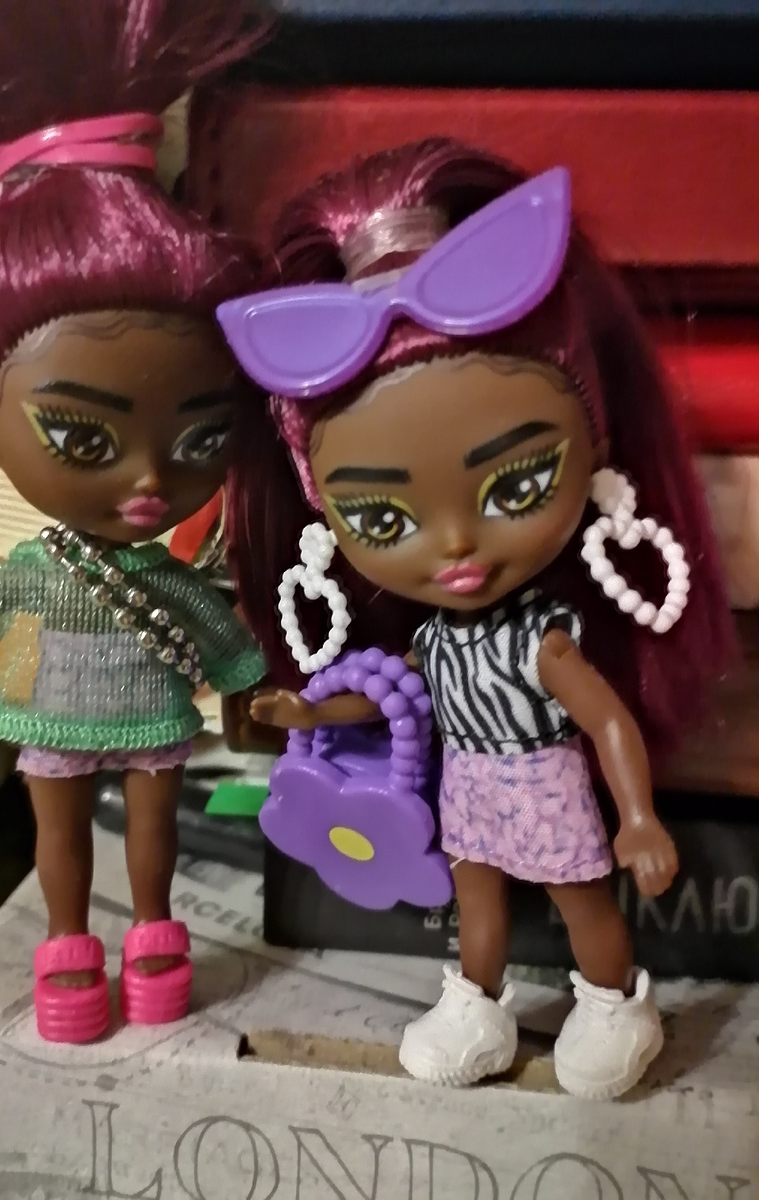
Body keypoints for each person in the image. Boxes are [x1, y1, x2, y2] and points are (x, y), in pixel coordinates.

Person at [219, 141, 735, 1098]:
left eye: (518, 483)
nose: (456, 545)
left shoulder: (542, 639)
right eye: (383, 519)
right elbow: (396, 700)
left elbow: (606, 721)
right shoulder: (431, 638)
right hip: (469, 791)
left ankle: (614, 1003)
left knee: (583, 901)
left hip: (544, 783)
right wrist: (308, 714)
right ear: (322, 517)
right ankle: (477, 1003)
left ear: (597, 445)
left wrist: (636, 817)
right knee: (478, 905)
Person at [0, 0, 273, 1043]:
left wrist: (252, 689)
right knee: (59, 839)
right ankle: (67, 946)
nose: (150, 482)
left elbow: (224, 637)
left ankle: (156, 936)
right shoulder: (40, 570)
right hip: (52, 721)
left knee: (152, 836)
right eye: (85, 439)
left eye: (201, 436)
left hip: (153, 718)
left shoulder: (163, 574)